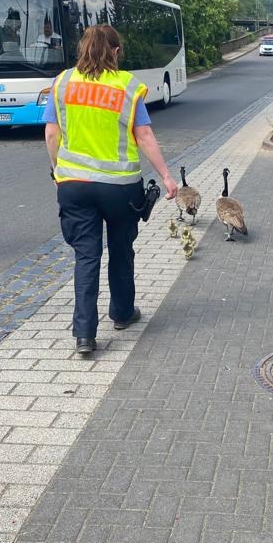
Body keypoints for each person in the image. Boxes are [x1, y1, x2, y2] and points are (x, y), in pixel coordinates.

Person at [44, 25, 177, 356]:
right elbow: (144, 136)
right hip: (119, 189)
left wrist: (57, 171)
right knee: (121, 250)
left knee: (86, 256)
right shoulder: (127, 87)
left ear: (83, 48)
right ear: (115, 52)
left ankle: (85, 335)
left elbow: (51, 133)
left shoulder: (62, 83)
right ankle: (121, 313)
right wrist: (166, 176)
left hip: (74, 186)